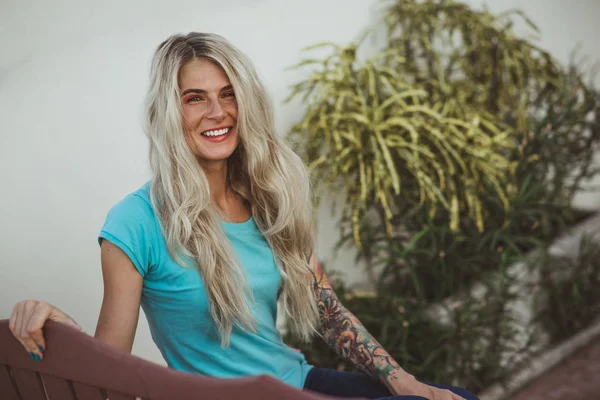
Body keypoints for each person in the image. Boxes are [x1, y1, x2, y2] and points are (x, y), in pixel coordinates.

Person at [8, 32, 478, 400]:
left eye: (229, 94)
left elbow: (327, 310)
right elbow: (110, 368)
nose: (218, 112)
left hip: (293, 381)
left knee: (453, 399)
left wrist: (403, 380)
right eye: (195, 98)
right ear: (168, 112)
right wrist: (61, 328)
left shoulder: (266, 195)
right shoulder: (135, 222)